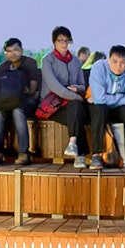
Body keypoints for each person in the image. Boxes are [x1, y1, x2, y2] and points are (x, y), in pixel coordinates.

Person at [87, 45, 125, 170]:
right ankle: (96, 155)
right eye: (114, 62)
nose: (118, 66)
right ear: (108, 60)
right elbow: (99, 99)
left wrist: (111, 97)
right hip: (101, 107)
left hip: (121, 108)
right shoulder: (98, 67)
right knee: (99, 110)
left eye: (122, 63)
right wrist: (119, 97)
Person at [40, 26, 89, 166]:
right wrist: (78, 97)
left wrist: (76, 88)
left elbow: (82, 85)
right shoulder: (47, 60)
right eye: (60, 40)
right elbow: (55, 88)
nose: (64, 44)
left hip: (71, 104)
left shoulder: (76, 61)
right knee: (77, 112)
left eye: (67, 41)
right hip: (53, 106)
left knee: (75, 110)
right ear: (54, 42)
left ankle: (73, 144)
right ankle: (81, 155)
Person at [0, 37, 40, 166]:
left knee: (18, 110)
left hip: (27, 101)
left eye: (16, 50)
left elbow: (33, 89)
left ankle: (23, 152)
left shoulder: (30, 63)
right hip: (6, 102)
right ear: (5, 53)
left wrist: (21, 91)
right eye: (9, 51)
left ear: (22, 50)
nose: (13, 53)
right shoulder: (2, 68)